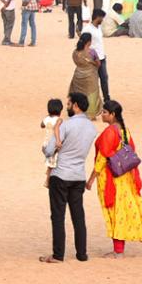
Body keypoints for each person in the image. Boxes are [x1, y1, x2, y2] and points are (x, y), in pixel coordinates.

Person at [85, 99, 142, 259]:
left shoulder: (109, 132)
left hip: (111, 179)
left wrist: (91, 179)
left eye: (105, 112)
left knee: (114, 211)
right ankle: (119, 249)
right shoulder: (125, 131)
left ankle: (118, 250)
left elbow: (102, 158)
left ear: (112, 115)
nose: (102, 115)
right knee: (123, 210)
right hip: (125, 177)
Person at [41, 93, 98, 265]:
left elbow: (49, 150)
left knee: (58, 216)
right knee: (78, 215)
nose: (67, 106)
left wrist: (48, 148)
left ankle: (58, 255)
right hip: (78, 175)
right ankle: (82, 253)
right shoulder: (91, 128)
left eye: (69, 103)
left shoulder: (66, 125)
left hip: (61, 174)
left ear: (76, 106)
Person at [69, 33, 102, 119]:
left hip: (78, 75)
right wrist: (92, 63)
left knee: (79, 94)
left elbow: (76, 62)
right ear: (89, 42)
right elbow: (98, 64)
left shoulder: (75, 52)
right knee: (91, 94)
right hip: (90, 76)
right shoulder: (92, 52)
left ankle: (77, 111)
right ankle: (91, 114)